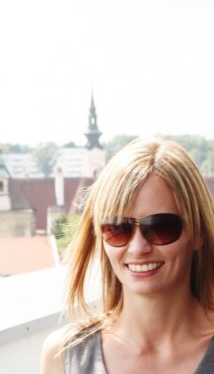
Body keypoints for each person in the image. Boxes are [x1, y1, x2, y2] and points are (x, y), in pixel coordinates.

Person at [40, 138, 214, 373]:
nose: (137, 248)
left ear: (198, 233)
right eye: (118, 229)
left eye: (161, 227)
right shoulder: (65, 355)